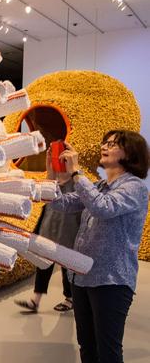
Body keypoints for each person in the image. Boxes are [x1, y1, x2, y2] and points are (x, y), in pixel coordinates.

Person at [50, 130, 149, 363]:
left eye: (113, 144)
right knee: (87, 346)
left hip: (111, 280)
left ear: (130, 153)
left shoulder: (135, 187)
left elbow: (102, 207)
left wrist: (76, 172)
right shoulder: (100, 185)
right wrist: (52, 175)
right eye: (105, 142)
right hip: (82, 277)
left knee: (108, 352)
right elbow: (61, 203)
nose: (105, 146)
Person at [14, 180, 81, 313]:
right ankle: (35, 300)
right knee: (44, 263)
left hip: (68, 231)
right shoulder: (54, 182)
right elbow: (47, 207)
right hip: (49, 229)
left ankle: (70, 298)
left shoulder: (76, 183)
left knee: (66, 265)